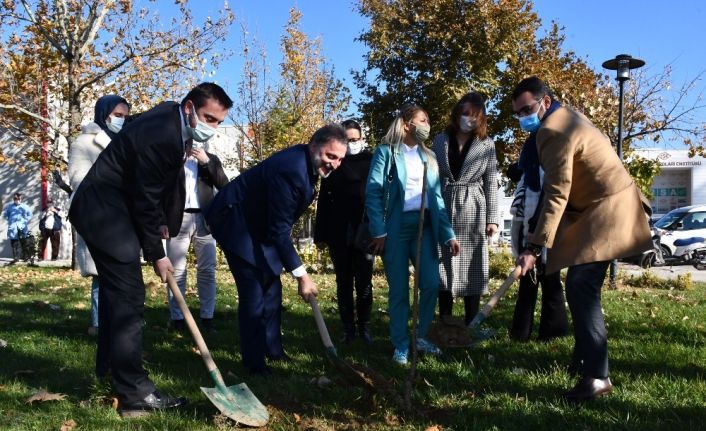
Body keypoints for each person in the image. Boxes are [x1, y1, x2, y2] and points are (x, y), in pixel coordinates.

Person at [69, 82, 232, 416]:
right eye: (209, 118)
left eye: (218, 122)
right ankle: (136, 394)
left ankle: (110, 373)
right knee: (129, 297)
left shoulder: (171, 117)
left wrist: (158, 220)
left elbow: (151, 186)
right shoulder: (164, 136)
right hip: (104, 212)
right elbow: (144, 196)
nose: (213, 128)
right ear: (189, 107)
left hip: (109, 207)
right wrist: (156, 253)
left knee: (118, 296)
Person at [512, 76, 652, 401]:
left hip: (609, 210)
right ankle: (583, 362)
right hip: (596, 211)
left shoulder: (553, 130)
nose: (523, 117)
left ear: (544, 102)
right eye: (518, 112)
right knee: (580, 285)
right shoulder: (566, 117)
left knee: (580, 286)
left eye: (527, 109)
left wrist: (534, 246)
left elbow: (557, 191)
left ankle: (597, 377)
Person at [205, 124, 348, 376]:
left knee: (272, 287)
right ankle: (254, 362)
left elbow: (277, 225)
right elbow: (280, 231)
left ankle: (274, 350)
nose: (335, 164)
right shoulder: (291, 169)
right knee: (253, 291)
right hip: (235, 222)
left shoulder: (308, 164)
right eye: (330, 156)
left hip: (260, 224)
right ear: (314, 145)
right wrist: (302, 276)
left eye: (340, 159)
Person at [366, 104, 461, 365]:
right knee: (399, 290)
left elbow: (438, 198)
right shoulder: (386, 152)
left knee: (430, 283)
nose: (427, 125)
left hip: (425, 229)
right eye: (423, 119)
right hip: (396, 229)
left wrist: (448, 234)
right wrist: (379, 230)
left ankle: (419, 335)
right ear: (407, 124)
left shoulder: (428, 157)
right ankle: (400, 344)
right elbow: (373, 191)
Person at [431, 92, 499, 326]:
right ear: (457, 113)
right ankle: (445, 318)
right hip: (444, 202)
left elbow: (491, 181)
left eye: (473, 115)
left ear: (481, 118)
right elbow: (434, 175)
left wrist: (492, 219)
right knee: (443, 259)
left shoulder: (487, 144)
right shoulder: (440, 140)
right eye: (464, 113)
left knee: (473, 261)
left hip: (473, 207)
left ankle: (471, 320)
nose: (467, 118)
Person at [69, 94, 130, 337]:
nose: (121, 121)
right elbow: (78, 179)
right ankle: (99, 323)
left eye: (125, 116)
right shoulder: (84, 143)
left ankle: (122, 321)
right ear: (103, 113)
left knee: (122, 273)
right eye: (117, 115)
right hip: (98, 215)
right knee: (102, 273)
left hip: (123, 217)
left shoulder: (125, 141)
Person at [314, 119, 374, 345]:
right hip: (339, 230)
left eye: (356, 139)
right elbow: (324, 200)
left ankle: (365, 327)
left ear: (362, 139)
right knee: (344, 281)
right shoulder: (335, 163)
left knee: (364, 282)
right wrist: (321, 234)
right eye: (348, 140)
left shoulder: (372, 160)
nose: (353, 144)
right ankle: (347, 328)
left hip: (365, 229)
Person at [163, 131, 230, 334]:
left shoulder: (210, 160)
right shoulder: (172, 159)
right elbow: (161, 189)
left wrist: (206, 162)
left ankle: (207, 318)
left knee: (208, 270)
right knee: (177, 271)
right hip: (178, 218)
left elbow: (224, 184)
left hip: (205, 219)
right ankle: (178, 319)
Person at [506, 160, 569, 342]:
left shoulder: (553, 169)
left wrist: (536, 241)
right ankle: (520, 332)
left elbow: (549, 206)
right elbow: (514, 171)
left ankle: (552, 333)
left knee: (551, 284)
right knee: (527, 287)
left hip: (547, 234)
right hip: (527, 233)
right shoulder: (528, 173)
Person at [3, 192, 33, 264]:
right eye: (15, 198)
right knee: (14, 243)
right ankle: (16, 258)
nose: (17, 200)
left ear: (21, 199)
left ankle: (26, 257)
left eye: (18, 198)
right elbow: (5, 215)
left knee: (24, 242)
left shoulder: (24, 206)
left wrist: (25, 220)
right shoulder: (10, 206)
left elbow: (30, 215)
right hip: (13, 228)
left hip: (22, 227)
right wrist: (10, 220)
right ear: (13, 199)